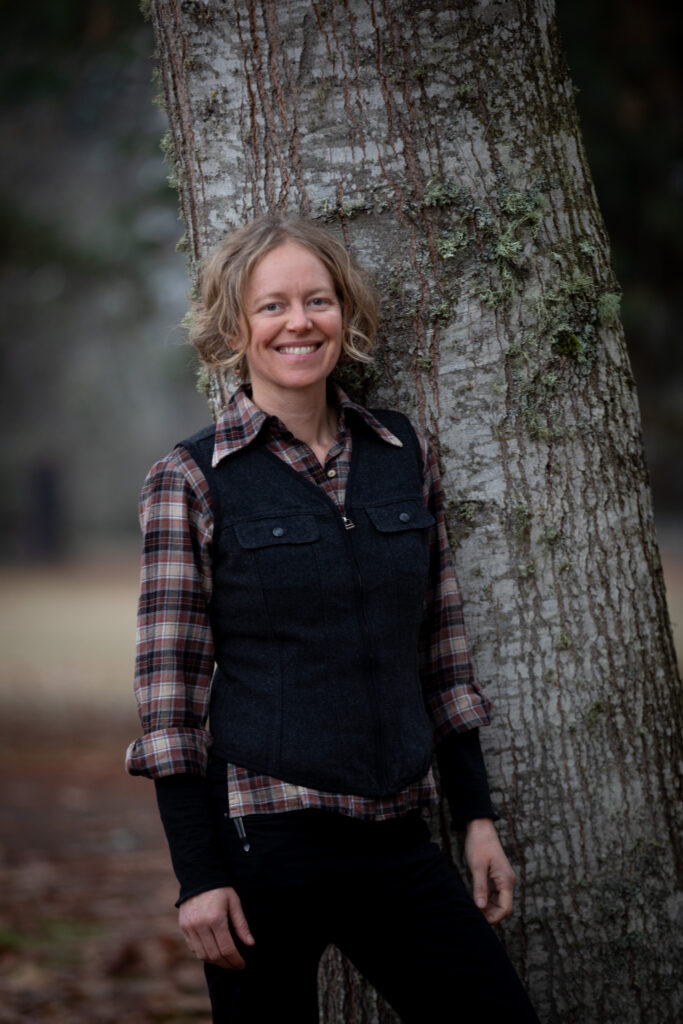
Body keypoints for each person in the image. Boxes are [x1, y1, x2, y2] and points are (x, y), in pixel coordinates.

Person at [126, 215, 540, 1023]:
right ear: (234, 326)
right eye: (271, 305)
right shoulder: (190, 478)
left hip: (395, 836)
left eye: (316, 300)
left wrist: (477, 817)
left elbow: (441, 656)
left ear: (343, 314)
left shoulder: (400, 453)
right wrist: (197, 876)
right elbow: (168, 697)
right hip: (261, 845)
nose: (298, 322)